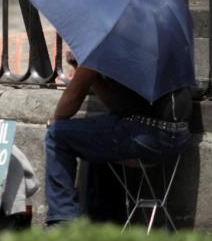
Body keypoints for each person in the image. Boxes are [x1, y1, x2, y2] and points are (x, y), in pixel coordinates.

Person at [44, 52, 192, 227]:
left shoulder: (104, 40)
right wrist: (91, 71)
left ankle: (62, 221)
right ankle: (104, 223)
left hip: (144, 135)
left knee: (57, 134)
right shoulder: (155, 42)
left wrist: (87, 63)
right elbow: (118, 105)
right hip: (178, 137)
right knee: (99, 134)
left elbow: (71, 102)